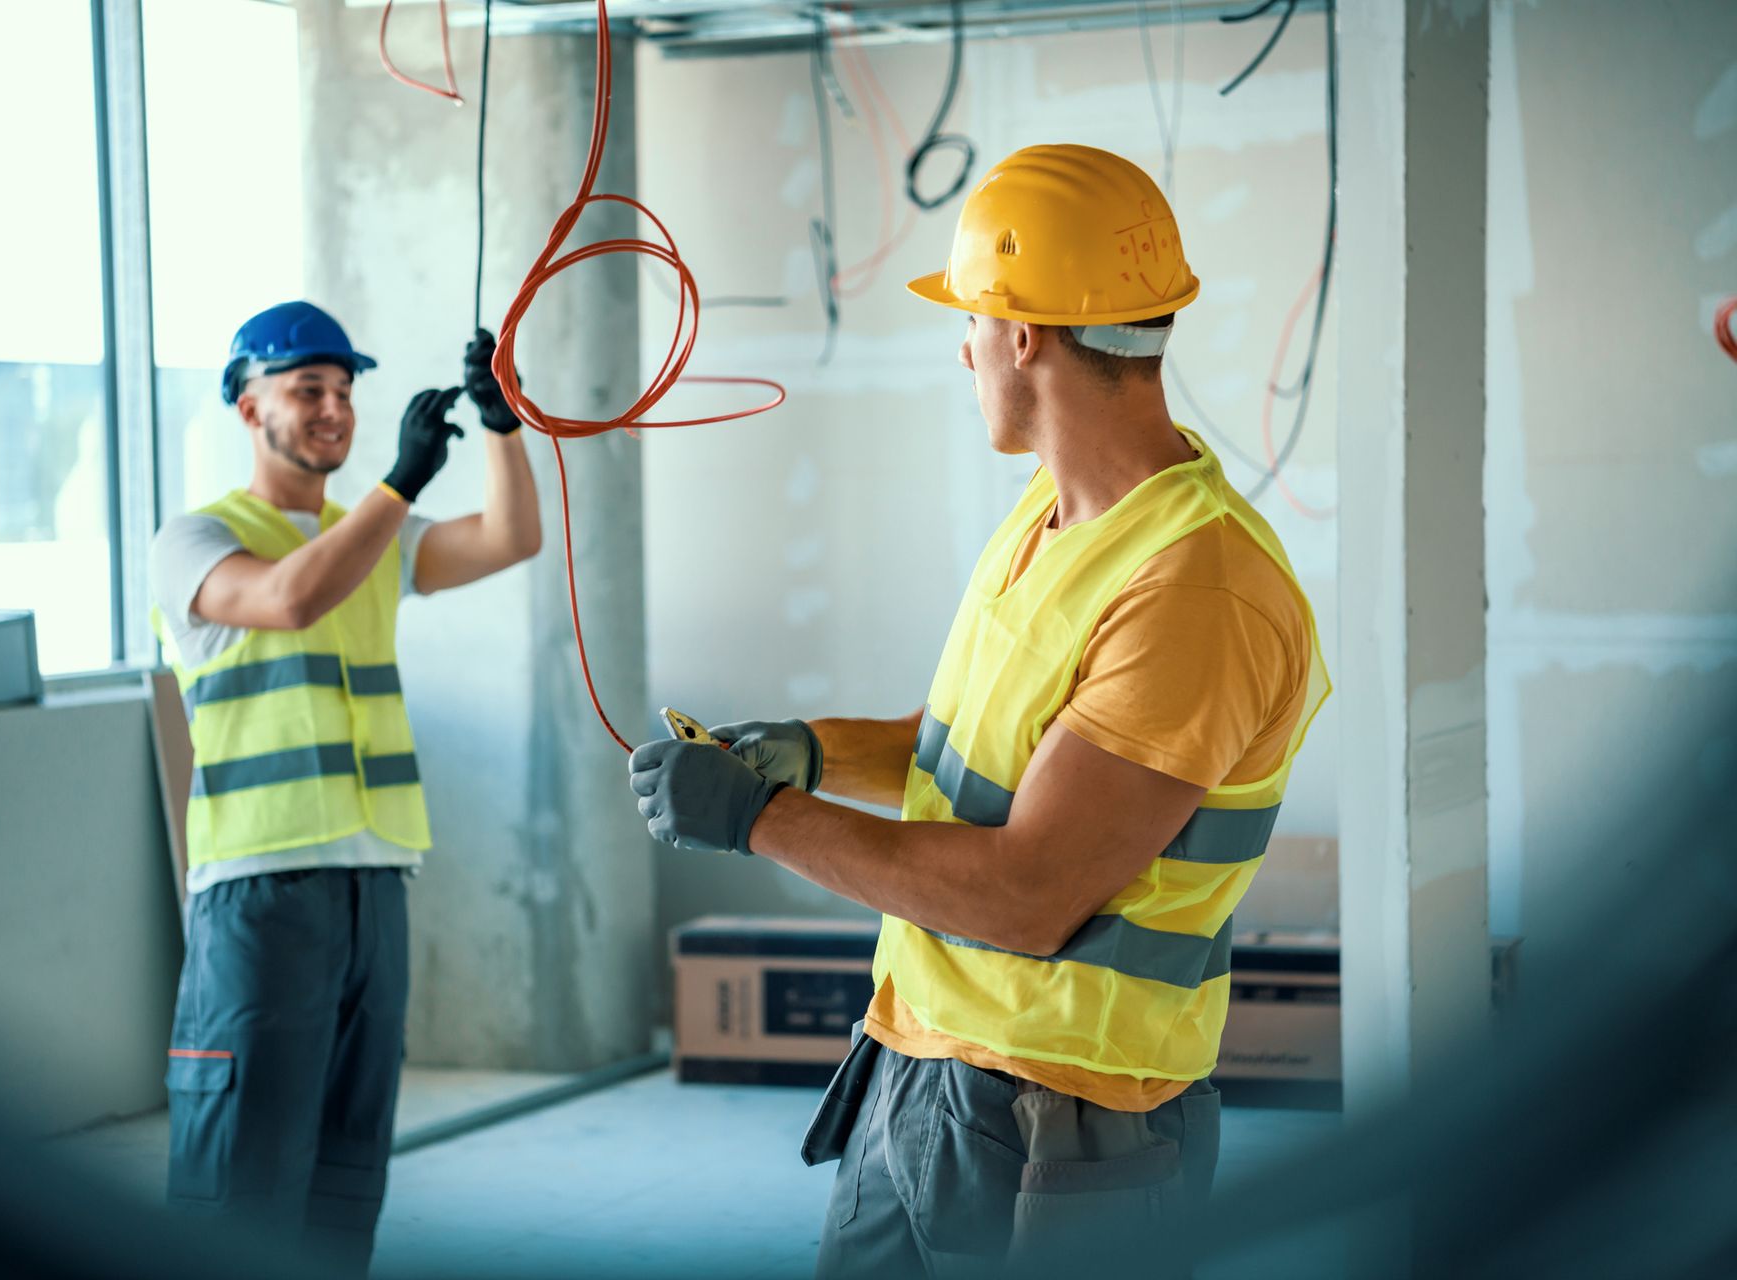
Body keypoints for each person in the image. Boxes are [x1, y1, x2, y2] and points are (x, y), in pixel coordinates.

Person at [628, 145, 1329, 1276]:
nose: (963, 349)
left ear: (1023, 334)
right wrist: (802, 753)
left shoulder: (1198, 588)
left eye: (970, 321)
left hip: (1072, 1119)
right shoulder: (1053, 517)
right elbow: (962, 743)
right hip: (920, 1062)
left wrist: (757, 820)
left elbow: (1032, 893)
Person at [148, 301, 540, 1274]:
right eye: (305, 389)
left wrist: (503, 424)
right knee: (244, 1167)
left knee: (345, 1168)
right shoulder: (196, 539)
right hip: (261, 887)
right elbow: (287, 596)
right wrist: (401, 481)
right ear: (249, 408)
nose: (333, 407)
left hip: (374, 881)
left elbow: (511, 537)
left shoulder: (368, 538)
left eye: (343, 390)